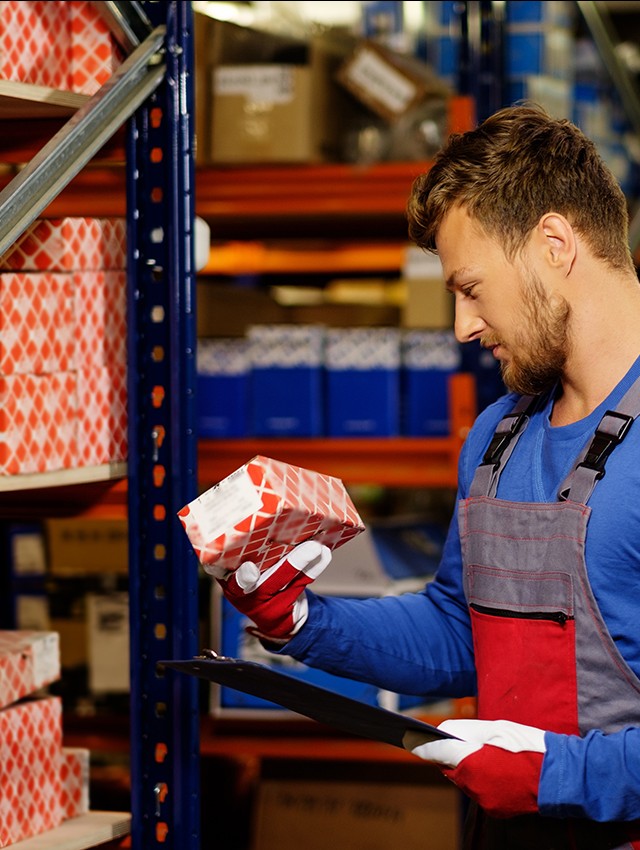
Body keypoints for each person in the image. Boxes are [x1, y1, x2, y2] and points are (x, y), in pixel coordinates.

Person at [217, 104, 640, 849]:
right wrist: (304, 622)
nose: (462, 328)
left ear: (553, 244)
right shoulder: (500, 434)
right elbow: (461, 629)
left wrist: (557, 776)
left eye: (471, 288)